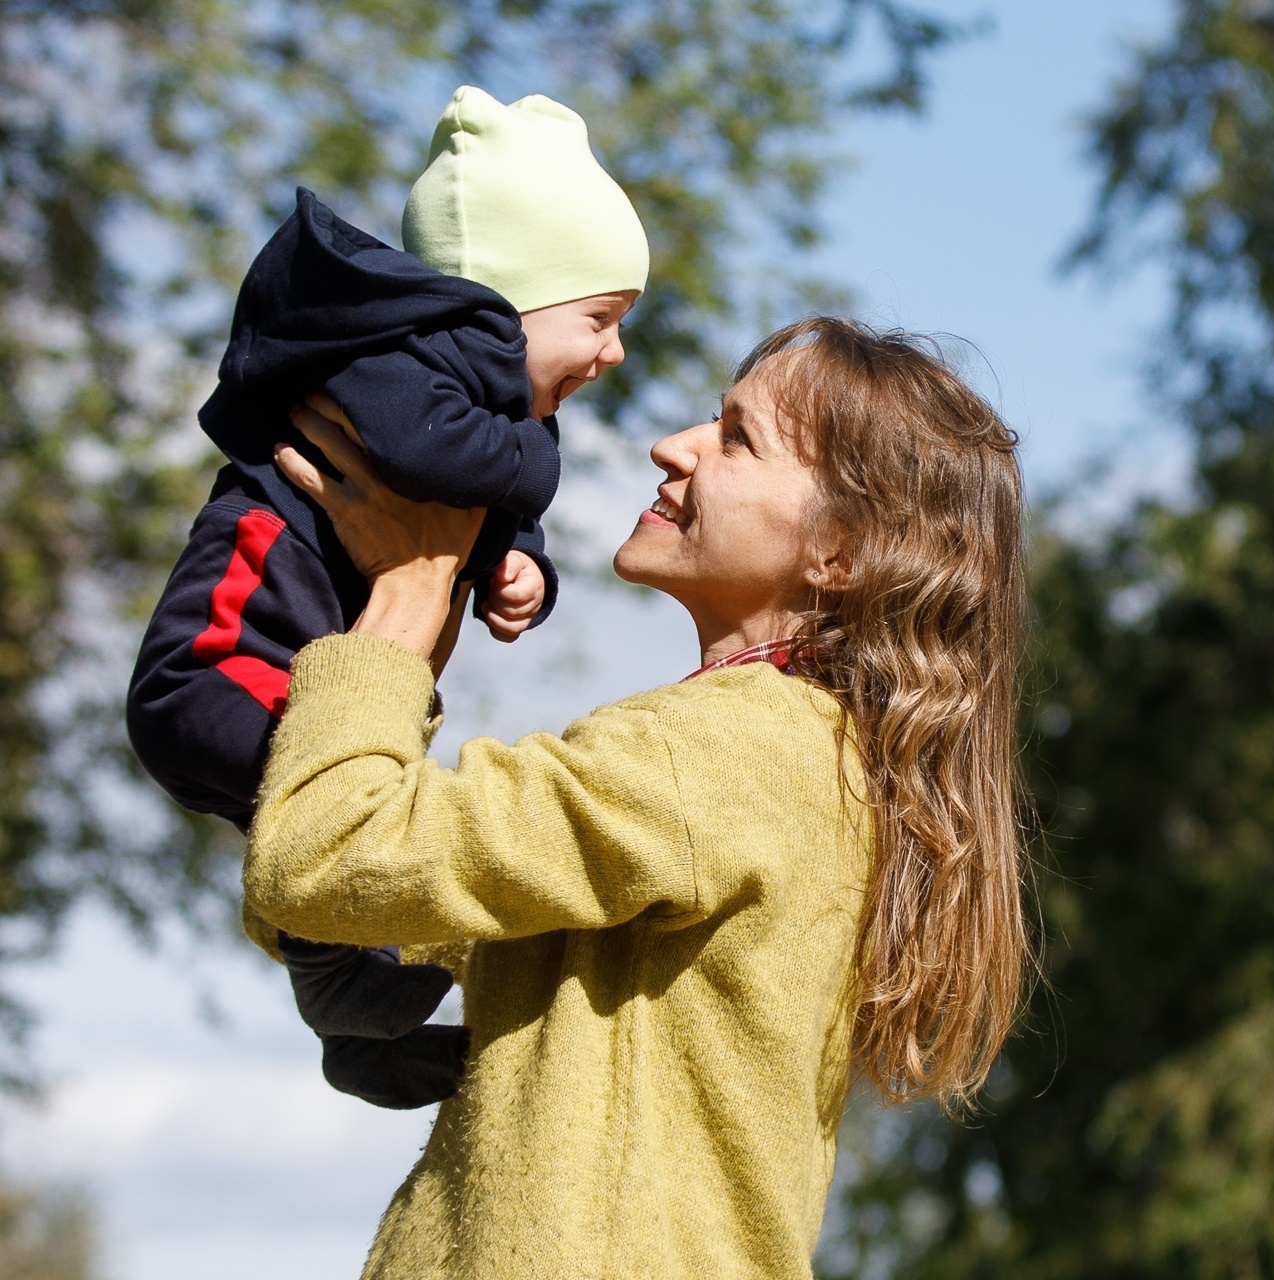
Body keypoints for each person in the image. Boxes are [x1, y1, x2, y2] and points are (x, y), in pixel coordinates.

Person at [244, 317, 1028, 1279]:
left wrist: (407, 596)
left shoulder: (729, 752)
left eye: (739, 437)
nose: (675, 445)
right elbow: (372, 910)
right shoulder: (799, 757)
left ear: (840, 553)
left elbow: (321, 858)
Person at [126, 85, 649, 1110]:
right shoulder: (398, 353)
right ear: (507, 299)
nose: (613, 353)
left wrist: (521, 571)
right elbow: (427, 455)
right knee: (359, 811)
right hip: (217, 664)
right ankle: (347, 985)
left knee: (344, 831)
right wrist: (535, 474)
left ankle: (348, 1015)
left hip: (280, 670)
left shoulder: (478, 397)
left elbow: (472, 503)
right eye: (598, 317)